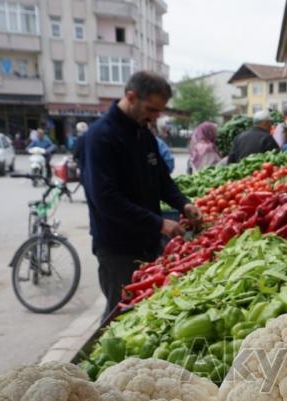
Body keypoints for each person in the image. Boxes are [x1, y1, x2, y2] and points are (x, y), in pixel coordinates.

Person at [81, 70, 200, 318]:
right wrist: (158, 223)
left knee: (143, 312)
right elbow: (106, 200)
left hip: (147, 242)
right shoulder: (100, 138)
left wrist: (183, 204)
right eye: (152, 109)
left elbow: (161, 180)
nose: (155, 117)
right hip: (117, 247)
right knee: (120, 313)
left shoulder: (143, 133)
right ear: (131, 97)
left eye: (159, 111)